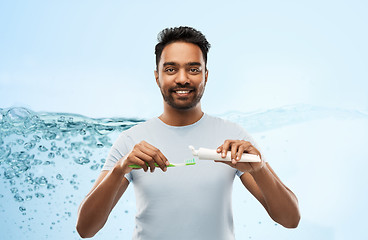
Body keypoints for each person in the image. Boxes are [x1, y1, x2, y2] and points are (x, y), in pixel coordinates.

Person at [76, 26, 300, 239]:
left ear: (206, 75)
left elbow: (290, 219)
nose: (182, 78)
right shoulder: (131, 140)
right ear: (157, 77)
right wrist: (119, 170)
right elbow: (85, 229)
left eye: (193, 69)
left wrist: (259, 169)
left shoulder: (232, 136)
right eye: (171, 69)